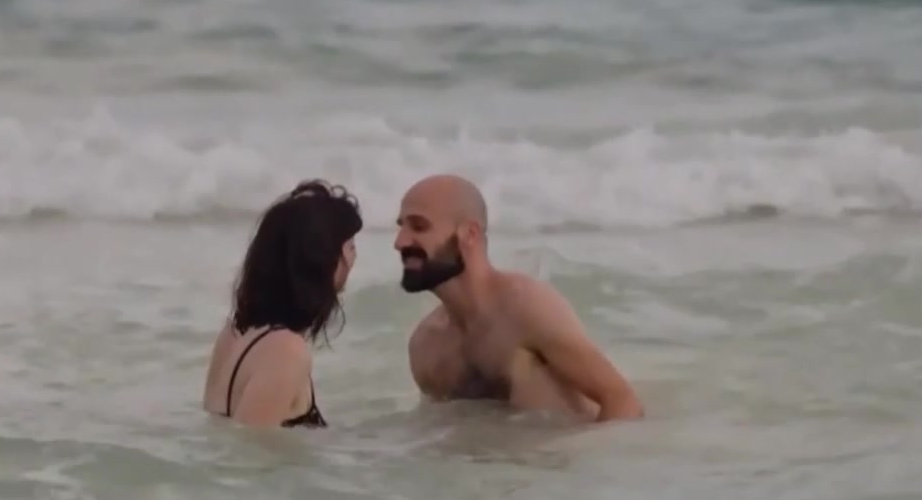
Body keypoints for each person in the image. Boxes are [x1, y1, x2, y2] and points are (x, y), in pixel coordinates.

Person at [393, 174, 645, 422]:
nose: (400, 242)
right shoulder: (426, 347)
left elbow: (623, 402)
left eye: (419, 227)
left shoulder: (525, 309)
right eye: (401, 226)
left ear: (469, 234)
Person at [201, 180, 362, 428]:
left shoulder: (233, 334)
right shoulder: (287, 351)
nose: (354, 258)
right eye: (350, 247)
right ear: (321, 260)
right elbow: (249, 447)